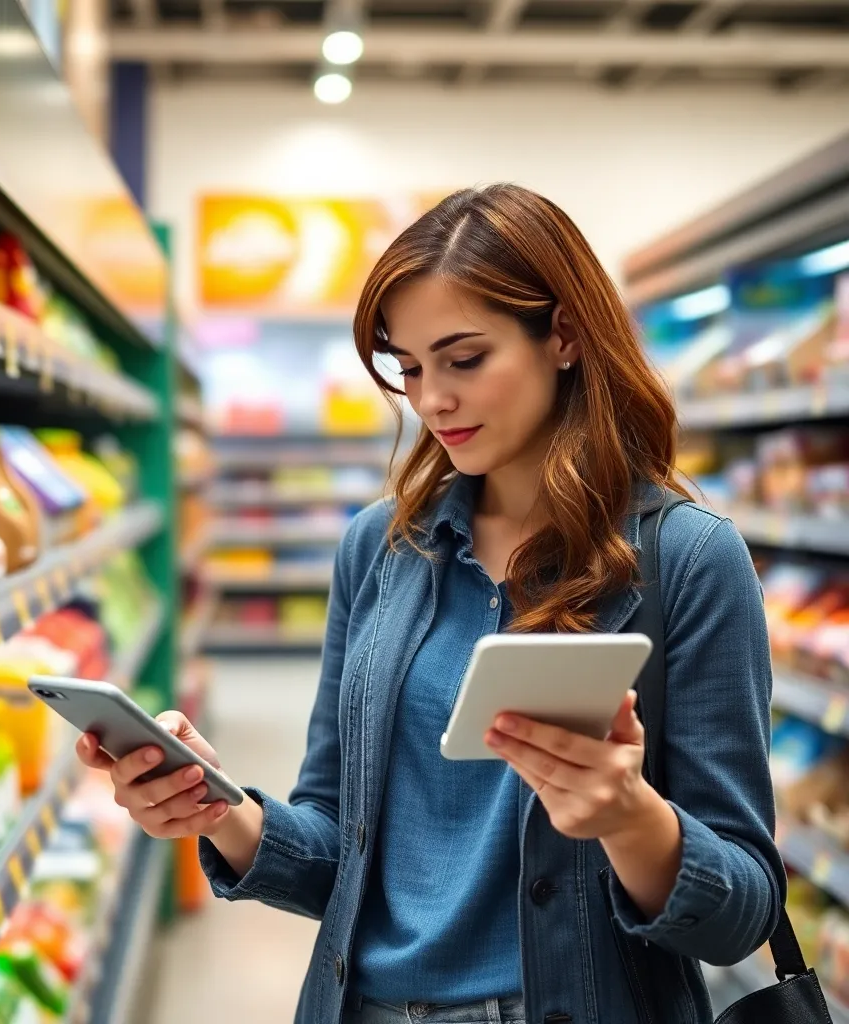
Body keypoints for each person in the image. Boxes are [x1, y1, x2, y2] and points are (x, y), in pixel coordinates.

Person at [76, 184, 784, 1024]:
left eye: (465, 359)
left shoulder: (688, 559)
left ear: (563, 334)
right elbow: (334, 854)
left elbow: (743, 912)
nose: (431, 400)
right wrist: (221, 810)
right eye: (409, 368)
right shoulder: (379, 550)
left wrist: (632, 820)